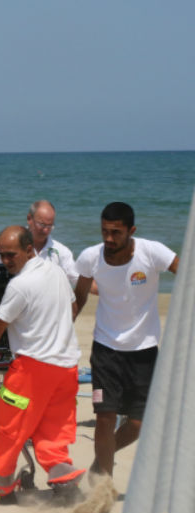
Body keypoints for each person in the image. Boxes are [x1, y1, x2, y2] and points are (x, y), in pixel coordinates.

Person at [0, 226, 84, 502]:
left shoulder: (20, 285)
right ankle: (66, 485)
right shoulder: (56, 272)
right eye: (1, 255)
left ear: (28, 250)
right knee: (55, 433)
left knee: (9, 429)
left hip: (33, 369)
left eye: (11, 255)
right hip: (67, 366)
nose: (5, 261)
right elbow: (73, 309)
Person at [73, 202, 178, 478]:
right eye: (104, 231)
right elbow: (79, 297)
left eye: (116, 233)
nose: (108, 238)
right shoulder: (90, 257)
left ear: (131, 231)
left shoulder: (152, 252)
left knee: (138, 424)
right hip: (105, 350)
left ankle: (101, 461)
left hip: (144, 351)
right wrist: (62, 330)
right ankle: (103, 484)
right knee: (105, 417)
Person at [0, 200, 79, 287]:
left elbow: (77, 280)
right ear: (29, 219)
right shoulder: (9, 243)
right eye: (42, 225)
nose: (46, 230)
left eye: (50, 226)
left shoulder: (61, 251)